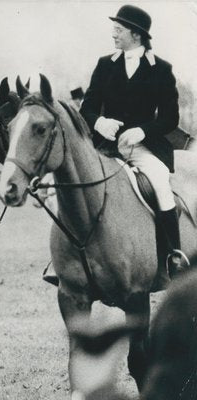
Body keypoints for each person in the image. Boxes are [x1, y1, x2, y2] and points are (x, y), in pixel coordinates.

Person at [80, 4, 190, 276]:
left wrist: (142, 131)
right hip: (105, 147)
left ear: (136, 35)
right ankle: (67, 262)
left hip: (142, 147)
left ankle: (173, 255)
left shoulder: (161, 69)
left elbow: (169, 118)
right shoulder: (105, 65)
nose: (114, 35)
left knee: (162, 185)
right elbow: (87, 107)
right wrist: (99, 122)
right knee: (77, 184)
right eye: (114, 30)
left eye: (119, 30)